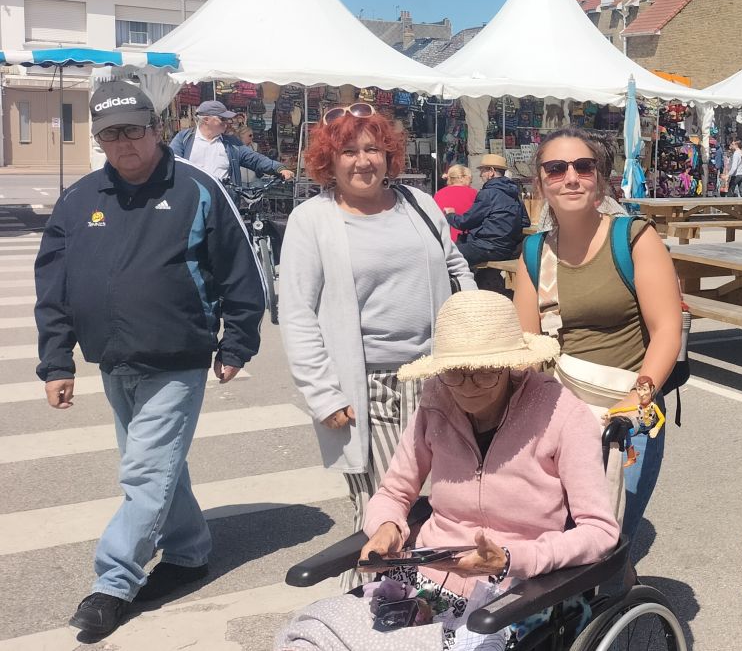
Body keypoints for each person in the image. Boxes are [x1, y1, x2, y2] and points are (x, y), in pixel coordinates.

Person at [36, 78, 266, 639]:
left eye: (133, 130)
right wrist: (57, 360)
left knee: (143, 471)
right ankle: (188, 552)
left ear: (155, 129)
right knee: (159, 469)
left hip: (177, 358)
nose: (124, 144)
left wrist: (238, 341)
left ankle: (113, 582)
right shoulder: (80, 198)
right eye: (111, 134)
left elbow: (240, 271)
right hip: (113, 359)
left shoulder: (199, 189)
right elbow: (55, 284)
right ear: (100, 139)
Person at [276, 291, 618, 650]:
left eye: (484, 373)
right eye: (455, 372)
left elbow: (599, 531)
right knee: (312, 637)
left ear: (509, 364)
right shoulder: (436, 400)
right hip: (428, 578)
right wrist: (387, 528)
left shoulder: (561, 414)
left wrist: (511, 559)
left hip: (518, 590)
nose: (467, 387)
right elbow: (394, 492)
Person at [280, 104, 475, 547]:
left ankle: (437, 600)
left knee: (452, 502)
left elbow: (456, 267)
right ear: (329, 160)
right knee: (387, 512)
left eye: (373, 148)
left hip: (441, 378)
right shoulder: (312, 220)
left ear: (389, 155)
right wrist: (322, 394)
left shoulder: (419, 204)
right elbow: (297, 313)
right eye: (348, 151)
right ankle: (372, 604)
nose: (363, 160)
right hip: (372, 389)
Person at [513, 127, 682, 544]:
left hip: (625, 412)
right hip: (560, 417)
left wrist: (637, 399)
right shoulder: (534, 254)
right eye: (556, 169)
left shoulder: (634, 238)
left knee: (608, 541)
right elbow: (527, 351)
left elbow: (666, 330)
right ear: (541, 183)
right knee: (554, 538)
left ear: (600, 177)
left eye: (583, 166)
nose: (570, 178)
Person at [446, 153, 530, 291]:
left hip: (487, 247)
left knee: (448, 256)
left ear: (491, 172)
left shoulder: (488, 193)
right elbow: (525, 222)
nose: (481, 175)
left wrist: (450, 215)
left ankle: (459, 294)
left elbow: (465, 222)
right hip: (507, 249)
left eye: (483, 171)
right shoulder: (515, 195)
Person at [169, 99, 293, 188]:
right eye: (222, 119)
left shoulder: (231, 143)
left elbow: (255, 159)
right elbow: (170, 165)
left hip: (224, 204)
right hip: (193, 202)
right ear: (206, 119)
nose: (227, 122)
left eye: (228, 119)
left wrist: (278, 168)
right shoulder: (184, 139)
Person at [433, 164, 478, 243]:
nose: (471, 181)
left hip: (444, 238)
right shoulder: (473, 193)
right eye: (470, 178)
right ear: (463, 178)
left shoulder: (439, 194)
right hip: (467, 238)